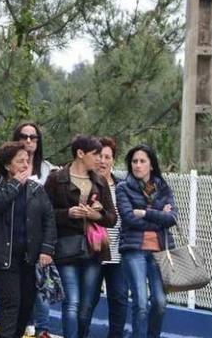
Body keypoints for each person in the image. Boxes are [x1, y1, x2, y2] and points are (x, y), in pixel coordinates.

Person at [44, 135, 116, 338]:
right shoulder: (56, 179)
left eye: (103, 156)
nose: (100, 160)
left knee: (85, 305)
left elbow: (112, 218)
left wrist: (94, 215)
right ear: (80, 153)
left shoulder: (100, 181)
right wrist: (68, 213)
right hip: (66, 247)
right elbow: (44, 212)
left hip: (93, 250)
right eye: (96, 155)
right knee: (72, 301)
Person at [0, 142, 56, 338]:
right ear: (7, 165)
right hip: (3, 256)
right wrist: (15, 184)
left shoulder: (37, 190)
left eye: (27, 161)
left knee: (26, 303)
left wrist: (47, 249)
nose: (25, 165)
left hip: (29, 257)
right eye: (19, 161)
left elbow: (49, 219)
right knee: (10, 302)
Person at [116, 145, 177, 338]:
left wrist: (145, 213)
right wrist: (159, 216)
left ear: (151, 165)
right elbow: (128, 218)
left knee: (159, 303)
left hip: (159, 252)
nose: (138, 165)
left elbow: (172, 218)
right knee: (140, 304)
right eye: (134, 161)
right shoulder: (123, 188)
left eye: (142, 161)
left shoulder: (163, 188)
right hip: (134, 251)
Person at [12, 121, 55, 336]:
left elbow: (49, 213)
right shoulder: (5, 167)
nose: (28, 141)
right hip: (13, 241)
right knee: (18, 292)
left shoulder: (48, 170)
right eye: (24, 136)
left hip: (39, 241)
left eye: (33, 137)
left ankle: (42, 329)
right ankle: (22, 328)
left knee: (39, 287)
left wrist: (47, 246)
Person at [90, 137, 128, 338]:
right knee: (89, 299)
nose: (103, 161)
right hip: (93, 252)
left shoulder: (122, 186)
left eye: (107, 157)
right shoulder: (87, 184)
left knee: (119, 298)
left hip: (118, 254)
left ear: (113, 160)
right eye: (99, 156)